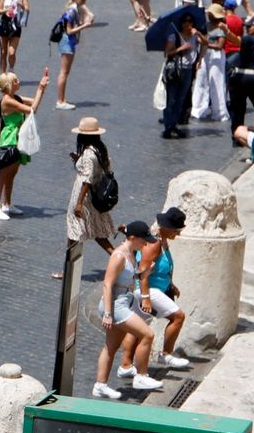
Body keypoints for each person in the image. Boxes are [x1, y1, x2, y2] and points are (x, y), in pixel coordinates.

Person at [92, 220, 162, 399]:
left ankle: (100, 386)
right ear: (132, 237)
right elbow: (107, 284)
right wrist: (108, 314)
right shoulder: (119, 256)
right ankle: (141, 376)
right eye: (143, 239)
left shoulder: (131, 252)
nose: (145, 243)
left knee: (111, 346)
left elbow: (127, 277)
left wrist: (142, 275)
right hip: (116, 306)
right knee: (147, 334)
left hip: (122, 303)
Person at [119, 207, 191, 375]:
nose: (178, 234)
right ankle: (165, 354)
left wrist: (171, 285)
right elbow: (143, 273)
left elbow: (163, 267)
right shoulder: (154, 244)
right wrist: (145, 298)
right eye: (177, 230)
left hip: (153, 290)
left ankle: (125, 365)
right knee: (178, 316)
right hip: (147, 290)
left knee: (138, 327)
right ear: (166, 227)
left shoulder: (162, 241)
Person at [0, 69, 49, 220]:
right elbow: (32, 109)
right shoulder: (7, 100)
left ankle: (7, 203)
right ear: (8, 86)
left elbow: (34, 102)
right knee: (3, 174)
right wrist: (40, 88)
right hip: (9, 139)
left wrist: (42, 89)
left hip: (18, 138)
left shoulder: (15, 97)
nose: (19, 82)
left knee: (12, 173)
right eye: (15, 81)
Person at [62, 116, 116, 272]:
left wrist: (78, 203)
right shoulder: (100, 150)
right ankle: (121, 259)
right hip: (93, 196)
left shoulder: (88, 154)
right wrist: (78, 159)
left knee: (74, 231)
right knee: (98, 231)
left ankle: (68, 270)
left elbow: (87, 180)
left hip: (83, 196)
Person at [161, 13, 200, 139]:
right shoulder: (174, 36)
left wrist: (198, 33)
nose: (187, 24)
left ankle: (174, 125)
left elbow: (205, 42)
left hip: (188, 70)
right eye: (185, 21)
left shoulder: (194, 36)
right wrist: (181, 48)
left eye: (190, 21)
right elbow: (167, 53)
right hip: (175, 70)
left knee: (181, 99)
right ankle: (168, 127)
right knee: (171, 99)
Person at [54, 0, 93, 110]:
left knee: (65, 72)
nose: (84, 1)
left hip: (68, 42)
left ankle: (62, 99)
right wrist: (84, 26)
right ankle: (60, 101)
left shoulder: (74, 9)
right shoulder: (71, 11)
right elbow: (69, 31)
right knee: (64, 72)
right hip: (67, 42)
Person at [191, 2, 228, 122]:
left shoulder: (221, 27)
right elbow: (204, 43)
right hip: (205, 53)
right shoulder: (206, 25)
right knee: (201, 80)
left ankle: (220, 112)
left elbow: (220, 46)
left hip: (216, 56)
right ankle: (199, 108)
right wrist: (200, 59)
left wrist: (206, 43)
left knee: (216, 83)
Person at [0, 0, 29, 76]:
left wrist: (21, 5)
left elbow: (27, 9)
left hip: (16, 23)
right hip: (5, 22)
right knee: (3, 52)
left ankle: (11, 70)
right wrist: (7, 9)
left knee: (12, 52)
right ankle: (2, 75)